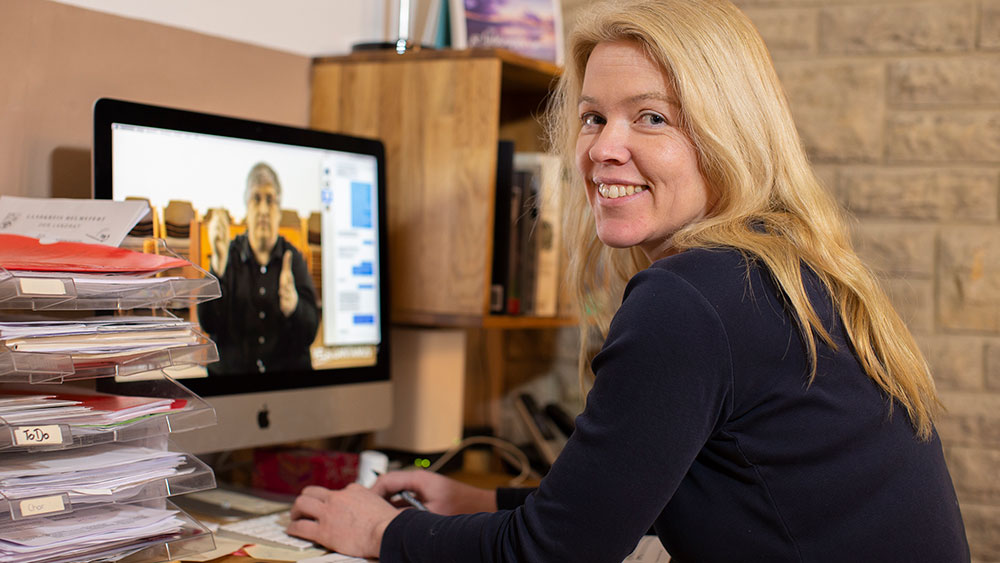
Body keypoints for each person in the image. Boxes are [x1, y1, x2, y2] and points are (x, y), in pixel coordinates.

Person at [285, 1, 971, 561]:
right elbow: (637, 492)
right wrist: (483, 501)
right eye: (593, 117)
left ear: (728, 136)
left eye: (652, 117)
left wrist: (382, 533)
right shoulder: (779, 267)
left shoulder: (693, 297)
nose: (603, 149)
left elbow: (553, 554)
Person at [198, 162, 319, 375]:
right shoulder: (227, 255)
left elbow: (310, 331)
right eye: (256, 199)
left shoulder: (293, 260)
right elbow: (208, 323)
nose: (263, 210)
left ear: (279, 211)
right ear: (247, 207)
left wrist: (295, 307)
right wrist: (217, 268)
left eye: (270, 200)